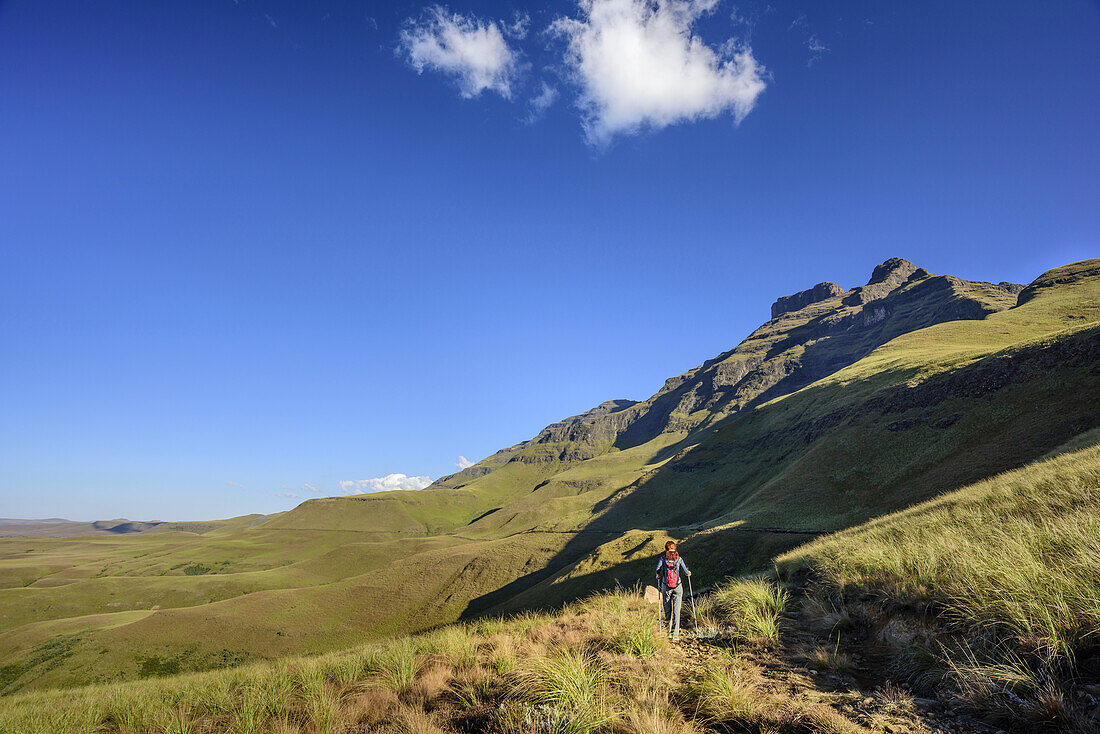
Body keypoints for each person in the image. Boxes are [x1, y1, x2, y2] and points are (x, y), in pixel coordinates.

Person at [655, 540, 691, 639]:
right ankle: (675, 635)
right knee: (676, 611)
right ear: (675, 549)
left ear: (666, 549)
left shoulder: (662, 559)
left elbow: (658, 570)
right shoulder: (679, 559)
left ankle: (668, 633)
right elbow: (685, 571)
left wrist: (658, 575)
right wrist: (688, 573)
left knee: (667, 610)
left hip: (666, 586)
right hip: (677, 586)